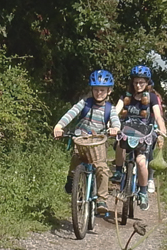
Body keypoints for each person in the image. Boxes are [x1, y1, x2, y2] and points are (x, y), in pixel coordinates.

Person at [52, 70, 123, 217]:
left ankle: (101, 200)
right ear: (91, 89)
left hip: (98, 143)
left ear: (109, 91)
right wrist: (59, 126)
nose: (98, 93)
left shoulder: (110, 108)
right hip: (81, 140)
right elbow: (71, 113)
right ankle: (71, 178)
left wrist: (115, 129)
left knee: (102, 169)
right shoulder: (84, 103)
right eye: (96, 89)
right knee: (76, 159)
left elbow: (116, 121)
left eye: (102, 90)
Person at [112, 65, 167, 210]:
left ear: (147, 82)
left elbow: (158, 116)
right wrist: (109, 124)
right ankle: (118, 172)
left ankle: (143, 192)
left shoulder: (152, 98)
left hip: (144, 134)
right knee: (119, 144)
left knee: (141, 162)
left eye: (141, 82)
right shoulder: (125, 97)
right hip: (126, 132)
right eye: (136, 82)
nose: (138, 85)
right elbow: (115, 111)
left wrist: (162, 131)